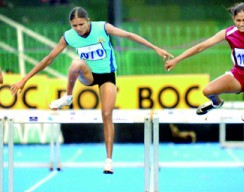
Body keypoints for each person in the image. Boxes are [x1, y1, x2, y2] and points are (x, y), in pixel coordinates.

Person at [11, 6, 173, 174]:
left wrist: (156, 48)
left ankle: (109, 160)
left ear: (88, 21)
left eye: (81, 24)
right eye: (74, 26)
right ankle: (68, 96)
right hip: (88, 75)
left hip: (107, 76)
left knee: (107, 114)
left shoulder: (102, 28)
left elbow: (129, 35)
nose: (78, 29)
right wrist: (24, 79)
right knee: (76, 63)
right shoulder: (69, 36)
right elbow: (49, 58)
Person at [164, 2, 244, 176]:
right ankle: (216, 103)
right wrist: (177, 60)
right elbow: (201, 46)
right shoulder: (229, 33)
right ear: (233, 19)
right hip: (238, 76)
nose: (241, 24)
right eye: (237, 20)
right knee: (208, 91)